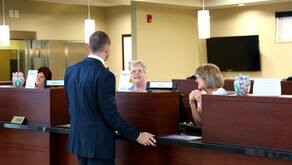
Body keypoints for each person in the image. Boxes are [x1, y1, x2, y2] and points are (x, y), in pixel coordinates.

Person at [64, 31, 156, 165]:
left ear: (89, 47)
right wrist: (137, 135)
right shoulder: (105, 75)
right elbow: (110, 115)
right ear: (107, 49)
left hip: (79, 142)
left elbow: (71, 105)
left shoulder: (70, 71)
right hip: (99, 145)